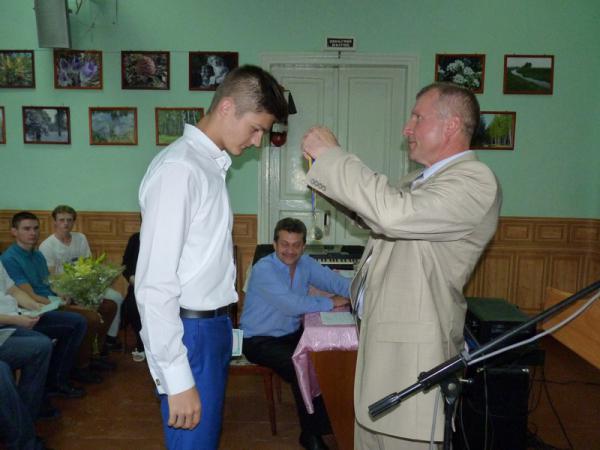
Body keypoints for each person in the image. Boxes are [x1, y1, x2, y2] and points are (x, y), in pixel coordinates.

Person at [301, 82, 502, 449]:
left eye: (417, 118)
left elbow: (391, 215)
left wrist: (333, 157)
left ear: (451, 125)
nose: (407, 129)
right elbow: (376, 217)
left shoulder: (474, 181)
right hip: (383, 353)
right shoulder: (418, 181)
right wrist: (330, 180)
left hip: (414, 363)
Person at [136, 64, 288, 449]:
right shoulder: (180, 170)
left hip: (212, 329)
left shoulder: (208, 166)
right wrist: (177, 378)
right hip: (190, 333)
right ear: (226, 107)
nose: (258, 142)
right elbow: (154, 284)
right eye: (255, 128)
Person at [241, 217, 351, 450]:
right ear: (274, 244)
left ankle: (330, 423)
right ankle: (310, 435)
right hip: (258, 340)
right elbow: (292, 305)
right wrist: (331, 302)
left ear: (303, 246)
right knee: (300, 366)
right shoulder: (263, 269)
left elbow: (335, 282)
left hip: (290, 335)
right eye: (284, 244)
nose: (290, 250)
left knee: (324, 359)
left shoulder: (306, 263)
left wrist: (358, 291)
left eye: (296, 245)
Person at [1, 211, 116, 384]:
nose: (33, 233)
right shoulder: (10, 258)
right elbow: (28, 294)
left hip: (50, 301)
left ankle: (92, 356)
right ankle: (78, 367)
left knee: (108, 305)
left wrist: (63, 294)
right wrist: (54, 303)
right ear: (14, 232)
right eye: (26, 229)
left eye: (35, 228)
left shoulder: (37, 254)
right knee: (88, 318)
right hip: (37, 306)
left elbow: (49, 282)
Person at [39, 205, 125, 353]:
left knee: (116, 297)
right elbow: (52, 277)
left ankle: (108, 339)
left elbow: (88, 264)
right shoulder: (47, 245)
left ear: (73, 222)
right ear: (54, 222)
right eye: (61, 220)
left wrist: (95, 284)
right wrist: (67, 292)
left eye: (69, 220)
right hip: (63, 291)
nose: (66, 223)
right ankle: (87, 347)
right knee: (89, 311)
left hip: (86, 285)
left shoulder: (80, 238)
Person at [121, 231, 145, 362]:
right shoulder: (135, 239)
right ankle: (141, 344)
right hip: (138, 286)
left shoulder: (167, 237)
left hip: (162, 287)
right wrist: (132, 279)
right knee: (132, 306)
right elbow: (125, 265)